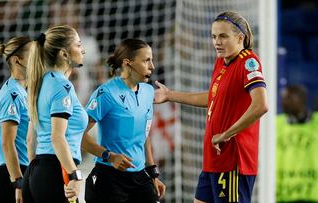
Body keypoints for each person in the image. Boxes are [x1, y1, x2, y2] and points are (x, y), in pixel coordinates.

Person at [154, 11, 268, 203]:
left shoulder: (248, 62)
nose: (217, 42)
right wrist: (170, 95)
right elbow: (214, 98)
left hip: (233, 161)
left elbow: (261, 105)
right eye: (214, 36)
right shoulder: (221, 62)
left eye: (223, 36)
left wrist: (227, 134)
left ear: (240, 37)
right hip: (213, 160)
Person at [82, 38, 166, 203]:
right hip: (110, 178)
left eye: (152, 60)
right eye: (146, 60)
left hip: (140, 176)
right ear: (128, 63)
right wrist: (110, 156)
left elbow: (144, 135)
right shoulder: (105, 93)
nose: (152, 66)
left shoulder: (148, 91)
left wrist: (152, 172)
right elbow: (81, 136)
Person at [23, 25, 88, 203]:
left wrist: (35, 176)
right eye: (78, 45)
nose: (83, 50)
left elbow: (30, 140)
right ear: (64, 54)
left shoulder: (40, 84)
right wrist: (75, 176)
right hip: (57, 171)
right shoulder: (62, 86)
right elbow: (57, 137)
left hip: (36, 171)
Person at [0, 36, 32, 203]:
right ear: (17, 60)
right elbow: (8, 143)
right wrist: (18, 183)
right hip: (11, 177)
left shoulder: (21, 93)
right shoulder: (11, 95)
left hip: (18, 173)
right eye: (33, 55)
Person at [276, 85, 318, 202]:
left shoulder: (316, 124)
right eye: (283, 98)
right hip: (281, 196)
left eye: (288, 98)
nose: (284, 102)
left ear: (301, 99)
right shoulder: (275, 124)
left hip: (312, 196)